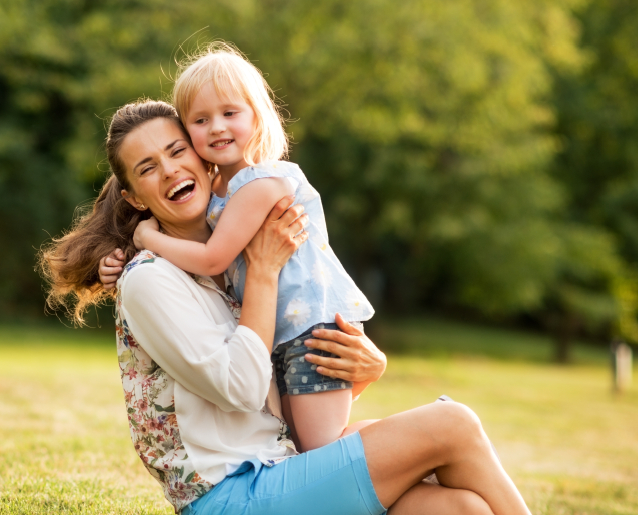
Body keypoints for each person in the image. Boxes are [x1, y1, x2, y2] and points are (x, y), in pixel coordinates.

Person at [40, 100, 532, 515]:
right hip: (230, 497)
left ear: (205, 160)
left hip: (283, 469)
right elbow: (242, 386)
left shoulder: (227, 271)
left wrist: (368, 370)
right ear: (134, 197)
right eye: (148, 168)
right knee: (453, 423)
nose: (169, 170)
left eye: (175, 151)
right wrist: (266, 271)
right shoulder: (150, 280)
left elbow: (289, 409)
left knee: (461, 508)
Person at [116, 42, 375, 451]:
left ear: (257, 117)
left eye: (230, 113)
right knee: (306, 446)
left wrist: (147, 238)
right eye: (201, 120)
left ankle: (418, 447)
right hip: (284, 337)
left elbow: (212, 258)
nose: (217, 127)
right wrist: (114, 259)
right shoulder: (218, 188)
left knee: (320, 450)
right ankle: (416, 455)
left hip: (312, 333)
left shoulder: (259, 183)